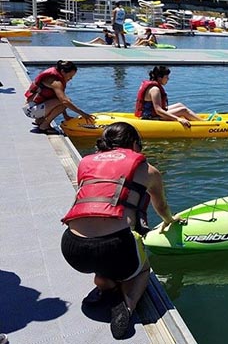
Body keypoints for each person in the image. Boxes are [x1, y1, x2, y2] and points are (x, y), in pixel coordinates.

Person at [60, 122, 181, 339]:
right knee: (144, 269)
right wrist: (170, 220)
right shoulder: (149, 171)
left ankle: (103, 282)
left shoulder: (86, 163)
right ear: (135, 144)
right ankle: (127, 305)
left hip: (72, 248)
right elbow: (161, 207)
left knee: (103, 252)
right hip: (115, 248)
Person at [22, 60, 95, 134]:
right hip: (32, 110)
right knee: (67, 101)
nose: (71, 78)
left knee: (64, 101)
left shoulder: (53, 78)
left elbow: (59, 101)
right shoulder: (56, 82)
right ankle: (44, 125)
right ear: (63, 72)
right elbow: (64, 101)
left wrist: (65, 116)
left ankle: (39, 120)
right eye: (70, 76)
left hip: (31, 108)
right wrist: (83, 114)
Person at [134, 65, 201, 128]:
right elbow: (158, 111)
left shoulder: (153, 86)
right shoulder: (155, 89)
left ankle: (199, 120)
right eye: (166, 77)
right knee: (183, 110)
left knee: (179, 105)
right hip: (150, 118)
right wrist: (178, 119)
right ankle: (205, 125)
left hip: (151, 114)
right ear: (160, 78)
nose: (168, 79)